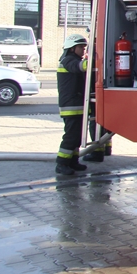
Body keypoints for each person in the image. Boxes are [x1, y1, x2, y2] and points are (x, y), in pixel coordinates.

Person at [55, 34, 90, 176]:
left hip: (77, 105)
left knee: (77, 136)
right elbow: (80, 67)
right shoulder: (67, 60)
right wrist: (96, 58)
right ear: (71, 48)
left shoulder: (73, 59)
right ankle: (61, 163)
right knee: (70, 136)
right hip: (70, 106)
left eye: (84, 47)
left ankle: (73, 160)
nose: (83, 50)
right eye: (81, 47)